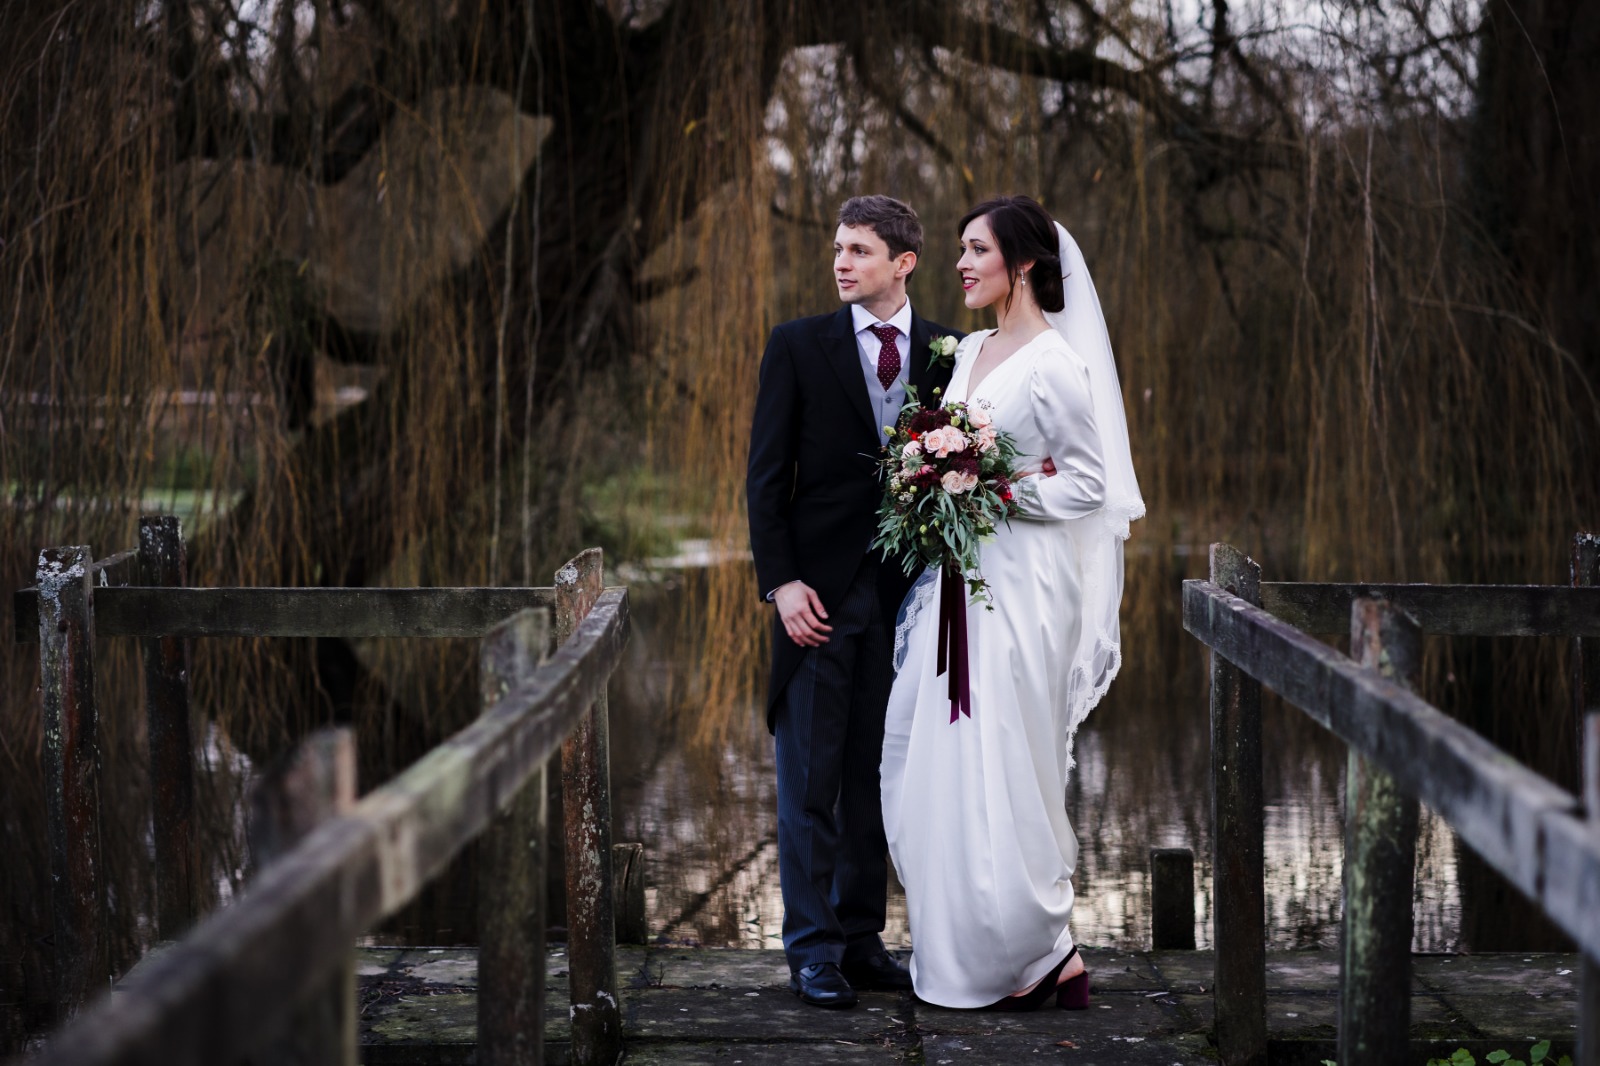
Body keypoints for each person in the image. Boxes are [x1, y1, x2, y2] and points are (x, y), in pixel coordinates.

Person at [880, 195, 1144, 1010]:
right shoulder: (971, 353)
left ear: (1021, 263)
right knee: (939, 753)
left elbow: (1093, 484)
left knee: (1004, 753)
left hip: (1025, 584)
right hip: (964, 575)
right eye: (959, 250)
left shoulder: (1058, 361)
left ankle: (1039, 947)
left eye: (975, 250)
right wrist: (932, 482)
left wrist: (994, 492)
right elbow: (955, 448)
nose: (961, 264)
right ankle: (966, 949)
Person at [746, 195, 960, 1008]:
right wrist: (782, 583)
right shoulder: (798, 347)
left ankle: (862, 937)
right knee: (810, 780)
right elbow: (766, 482)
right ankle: (811, 950)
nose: (841, 262)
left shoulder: (948, 351)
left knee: (881, 774)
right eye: (838, 248)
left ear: (903, 263)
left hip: (910, 602)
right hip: (818, 599)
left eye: (860, 251)